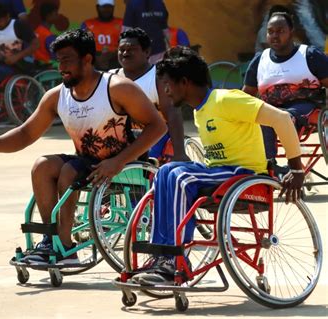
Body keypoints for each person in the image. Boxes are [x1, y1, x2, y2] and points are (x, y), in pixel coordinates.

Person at [0, 29, 166, 263]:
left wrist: (118, 161)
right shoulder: (57, 95)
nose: (61, 66)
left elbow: (158, 127)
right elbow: (25, 133)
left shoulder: (117, 88)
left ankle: (65, 247)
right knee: (42, 166)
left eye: (67, 60)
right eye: (58, 60)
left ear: (87, 59)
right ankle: (50, 241)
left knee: (69, 171)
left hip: (126, 166)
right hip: (87, 164)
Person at [131, 46, 305, 285]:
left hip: (245, 174)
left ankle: (174, 261)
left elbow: (282, 119)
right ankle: (160, 257)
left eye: (167, 85)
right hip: (220, 173)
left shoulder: (227, 99)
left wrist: (296, 169)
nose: (165, 91)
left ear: (184, 82)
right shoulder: (199, 111)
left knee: (182, 176)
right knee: (165, 171)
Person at [243, 12, 328, 162]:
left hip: (307, 108)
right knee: (265, 117)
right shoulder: (260, 60)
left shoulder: (310, 55)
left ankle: (287, 165)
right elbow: (247, 94)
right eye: (270, 31)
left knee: (281, 118)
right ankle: (270, 165)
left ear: (291, 32)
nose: (274, 35)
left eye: (280, 31)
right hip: (271, 110)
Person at [111, 27, 187, 163]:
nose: (125, 53)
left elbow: (172, 113)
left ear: (147, 52)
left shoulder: (159, 77)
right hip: (124, 137)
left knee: (147, 164)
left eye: (131, 49)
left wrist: (180, 153)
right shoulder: (111, 77)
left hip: (156, 135)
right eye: (121, 49)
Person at [81, 0, 123, 71]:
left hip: (116, 60)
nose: (106, 10)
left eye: (109, 7)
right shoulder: (87, 24)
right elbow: (82, 46)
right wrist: (96, 58)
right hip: (94, 62)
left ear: (113, 8)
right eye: (103, 7)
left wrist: (112, 54)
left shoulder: (121, 23)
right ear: (97, 7)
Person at [33, 2, 59, 68]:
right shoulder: (49, 36)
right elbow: (56, 57)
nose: (58, 16)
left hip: (37, 65)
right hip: (48, 67)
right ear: (48, 16)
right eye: (55, 14)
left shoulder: (37, 30)